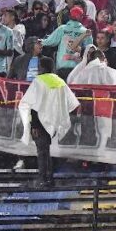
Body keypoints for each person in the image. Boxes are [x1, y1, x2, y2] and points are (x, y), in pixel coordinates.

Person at [17, 57, 79, 187]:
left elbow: (33, 104)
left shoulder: (39, 81)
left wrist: (34, 125)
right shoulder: (60, 81)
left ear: (42, 67)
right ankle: (50, 178)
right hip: (56, 122)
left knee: (42, 152)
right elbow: (71, 102)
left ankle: (42, 178)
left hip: (40, 122)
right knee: (49, 152)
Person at [42, 6, 93, 78]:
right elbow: (89, 49)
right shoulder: (86, 32)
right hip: (78, 68)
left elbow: (49, 41)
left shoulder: (62, 29)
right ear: (81, 17)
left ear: (70, 16)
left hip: (62, 65)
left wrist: (39, 41)